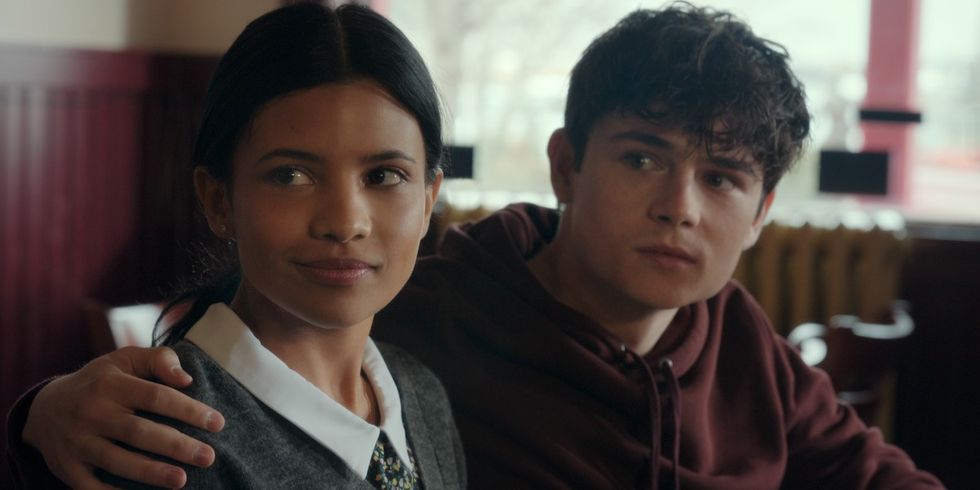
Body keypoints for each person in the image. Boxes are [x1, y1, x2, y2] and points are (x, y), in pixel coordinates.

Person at [7, 3, 942, 489]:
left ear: (763, 210)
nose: (678, 209)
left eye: (723, 179)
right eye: (642, 158)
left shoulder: (735, 333)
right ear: (565, 165)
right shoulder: (425, 308)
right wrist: (38, 419)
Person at [7, 3, 469, 489]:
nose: (345, 223)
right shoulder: (160, 438)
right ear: (219, 200)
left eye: (384, 176)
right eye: (291, 175)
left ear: (427, 201)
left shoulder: (421, 395)